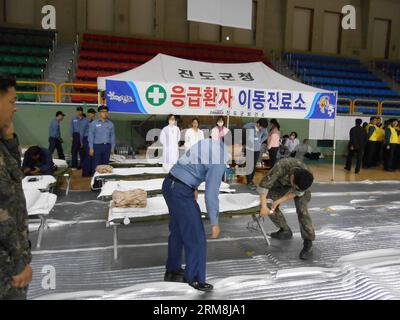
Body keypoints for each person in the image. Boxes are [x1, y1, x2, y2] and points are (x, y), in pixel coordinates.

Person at [162, 139, 228, 292]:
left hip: (169, 183)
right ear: (239, 146)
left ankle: (172, 271)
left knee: (178, 231)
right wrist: (214, 222)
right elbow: (212, 193)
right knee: (197, 237)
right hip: (181, 192)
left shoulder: (207, 142)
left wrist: (194, 186)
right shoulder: (221, 158)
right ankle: (195, 279)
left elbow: (190, 162)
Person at [0, 73, 32, 300]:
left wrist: (9, 137)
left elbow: (14, 174)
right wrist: (18, 263)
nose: (15, 108)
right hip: (7, 268)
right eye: (12, 101)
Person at [257, 158, 315, 260]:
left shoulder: (306, 176)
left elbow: (297, 192)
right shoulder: (282, 166)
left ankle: (308, 242)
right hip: (279, 185)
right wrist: (264, 206)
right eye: (294, 186)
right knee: (269, 205)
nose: (295, 189)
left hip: (298, 186)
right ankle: (285, 230)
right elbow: (264, 186)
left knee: (302, 210)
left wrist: (279, 201)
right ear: (292, 177)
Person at [243, 119, 269, 191]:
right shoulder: (248, 125)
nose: (261, 129)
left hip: (257, 149)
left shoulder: (264, 128)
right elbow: (243, 132)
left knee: (253, 165)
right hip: (249, 148)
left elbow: (266, 135)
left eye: (263, 128)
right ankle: (249, 182)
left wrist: (260, 141)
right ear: (257, 123)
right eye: (260, 127)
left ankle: (251, 181)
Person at [89, 105, 116, 170]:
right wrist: (91, 148)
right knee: (96, 165)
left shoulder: (110, 124)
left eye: (106, 111)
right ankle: (96, 179)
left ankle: (105, 179)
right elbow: (91, 136)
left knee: (106, 165)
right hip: (97, 146)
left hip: (107, 147)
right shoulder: (94, 123)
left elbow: (112, 136)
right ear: (99, 113)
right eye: (103, 111)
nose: (105, 113)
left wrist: (112, 148)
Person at [81, 108, 97, 177]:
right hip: (86, 139)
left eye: (94, 113)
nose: (93, 115)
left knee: (91, 156)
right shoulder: (85, 121)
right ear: (88, 114)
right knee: (88, 156)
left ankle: (90, 172)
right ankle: (85, 173)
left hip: (92, 140)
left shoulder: (93, 122)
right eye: (92, 113)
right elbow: (81, 132)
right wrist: (81, 142)